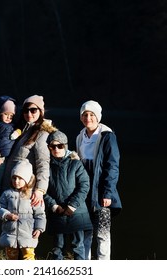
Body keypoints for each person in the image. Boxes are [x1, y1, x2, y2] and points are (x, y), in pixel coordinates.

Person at [75, 100, 122, 260]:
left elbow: (112, 167)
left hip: (102, 192)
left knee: (102, 233)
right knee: (85, 231)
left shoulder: (108, 136)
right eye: (85, 115)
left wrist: (107, 193)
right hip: (84, 192)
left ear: (98, 117)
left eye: (91, 114)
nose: (88, 118)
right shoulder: (80, 137)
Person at [1, 95, 57, 207]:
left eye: (33, 110)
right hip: (11, 187)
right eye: (26, 110)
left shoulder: (42, 134)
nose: (29, 114)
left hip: (24, 191)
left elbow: (43, 163)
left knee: (24, 222)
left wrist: (40, 190)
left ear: (40, 112)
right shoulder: (22, 129)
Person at [44, 130, 93, 260]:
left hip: (76, 212)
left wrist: (72, 206)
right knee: (57, 247)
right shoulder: (45, 166)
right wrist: (53, 206)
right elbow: (42, 190)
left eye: (59, 146)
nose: (56, 149)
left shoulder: (75, 163)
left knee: (78, 246)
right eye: (52, 146)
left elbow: (84, 185)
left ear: (65, 146)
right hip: (57, 212)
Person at [0, 160, 46, 260]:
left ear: (27, 179)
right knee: (12, 256)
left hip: (28, 234)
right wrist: (7, 215)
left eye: (20, 178)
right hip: (10, 233)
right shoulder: (7, 194)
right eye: (14, 178)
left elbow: (40, 214)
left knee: (28, 257)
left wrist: (39, 229)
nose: (16, 181)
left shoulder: (33, 196)